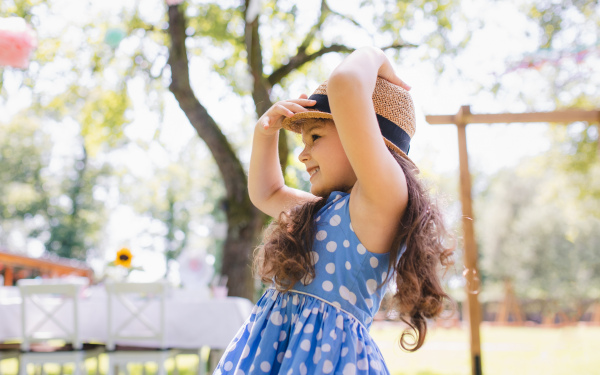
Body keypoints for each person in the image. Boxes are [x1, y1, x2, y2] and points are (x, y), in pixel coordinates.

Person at [214, 46, 454, 375]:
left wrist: (375, 55)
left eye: (315, 137)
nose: (303, 154)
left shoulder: (380, 202)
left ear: (366, 137)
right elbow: (267, 192)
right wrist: (264, 132)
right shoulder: (319, 211)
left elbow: (345, 83)